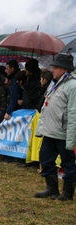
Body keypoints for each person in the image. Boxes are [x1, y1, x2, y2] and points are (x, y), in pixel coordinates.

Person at [35, 53, 76, 201]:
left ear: (64, 69)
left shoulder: (73, 86)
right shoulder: (54, 83)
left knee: (68, 163)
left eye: (56, 67)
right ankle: (52, 189)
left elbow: (73, 113)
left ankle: (68, 193)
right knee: (45, 159)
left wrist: (71, 139)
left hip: (63, 133)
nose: (52, 70)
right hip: (50, 131)